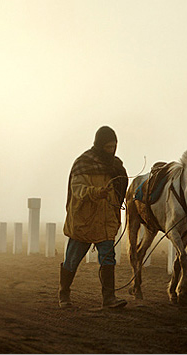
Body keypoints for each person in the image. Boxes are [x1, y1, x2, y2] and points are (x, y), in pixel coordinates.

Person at [59, 126, 129, 309]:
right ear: (99, 145)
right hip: (85, 221)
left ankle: (109, 298)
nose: (111, 150)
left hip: (106, 221)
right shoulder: (83, 163)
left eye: (114, 146)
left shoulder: (115, 166)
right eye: (107, 146)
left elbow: (120, 188)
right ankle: (64, 293)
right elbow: (78, 190)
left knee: (108, 258)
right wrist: (97, 192)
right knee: (72, 260)